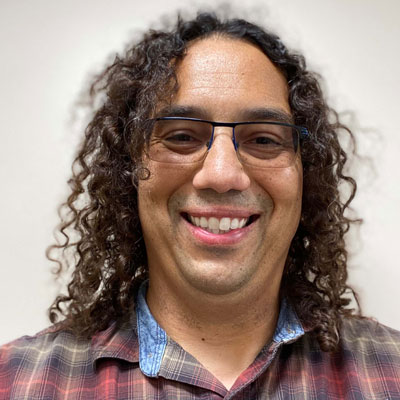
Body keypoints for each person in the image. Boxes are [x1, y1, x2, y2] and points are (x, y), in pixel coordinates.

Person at [1, 11, 399, 399]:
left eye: (263, 140)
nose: (223, 175)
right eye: (181, 136)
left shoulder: (390, 373)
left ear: (305, 175)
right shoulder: (17, 383)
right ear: (129, 169)